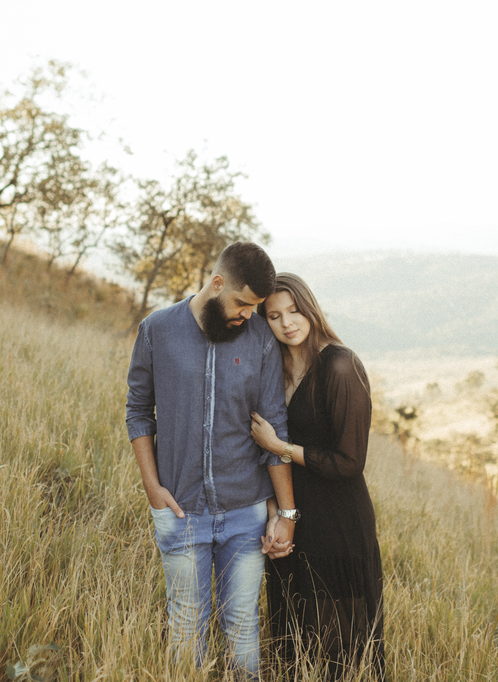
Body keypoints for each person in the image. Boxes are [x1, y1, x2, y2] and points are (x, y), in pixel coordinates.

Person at [126, 242, 299, 680]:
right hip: (180, 511)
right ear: (217, 283)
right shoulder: (157, 330)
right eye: (242, 304)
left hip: (245, 514)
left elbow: (272, 426)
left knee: (242, 628)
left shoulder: (259, 337)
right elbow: (138, 410)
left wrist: (287, 514)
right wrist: (152, 486)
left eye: (254, 307)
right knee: (186, 630)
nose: (247, 315)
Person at [250, 272, 384, 680]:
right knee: (294, 631)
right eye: (274, 316)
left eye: (294, 310)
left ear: (310, 308)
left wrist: (280, 447)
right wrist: (277, 513)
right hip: (292, 516)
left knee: (338, 644)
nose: (287, 322)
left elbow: (349, 461)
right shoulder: (274, 368)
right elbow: (259, 453)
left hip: (338, 520)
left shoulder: (340, 365)